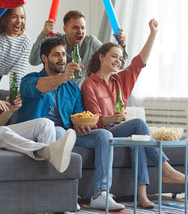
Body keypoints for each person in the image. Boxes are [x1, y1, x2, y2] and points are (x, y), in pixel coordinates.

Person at [81, 19, 188, 208]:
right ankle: (165, 169)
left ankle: (142, 196)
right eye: (113, 56)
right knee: (139, 125)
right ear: (101, 57)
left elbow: (139, 62)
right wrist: (111, 118)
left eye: (120, 58)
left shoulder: (120, 81)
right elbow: (94, 120)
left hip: (118, 129)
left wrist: (153, 34)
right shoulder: (89, 84)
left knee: (139, 141)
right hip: (104, 131)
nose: (118, 60)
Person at [17, 37, 124, 211]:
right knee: (58, 130)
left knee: (104, 135)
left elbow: (78, 115)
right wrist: (64, 77)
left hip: (68, 133)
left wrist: (82, 125)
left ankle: (101, 194)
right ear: (44, 58)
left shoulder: (72, 88)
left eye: (64, 54)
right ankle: (65, 194)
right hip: (41, 133)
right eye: (56, 55)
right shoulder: (29, 79)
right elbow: (40, 87)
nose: (62, 59)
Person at [29, 10, 128, 87]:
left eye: (83, 28)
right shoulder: (56, 41)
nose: (80, 32)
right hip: (54, 96)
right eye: (75, 28)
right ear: (65, 29)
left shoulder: (90, 42)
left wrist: (122, 45)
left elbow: (121, 65)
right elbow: (33, 60)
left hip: (79, 98)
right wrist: (43, 34)